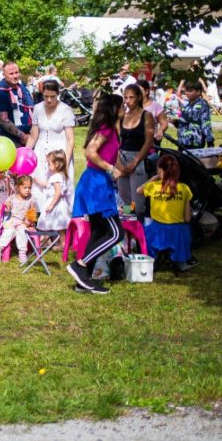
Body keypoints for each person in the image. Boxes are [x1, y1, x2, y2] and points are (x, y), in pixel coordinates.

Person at [66, 93, 125, 295]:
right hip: (95, 184)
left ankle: (83, 280)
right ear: (113, 109)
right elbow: (90, 152)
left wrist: (122, 169)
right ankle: (79, 265)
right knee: (116, 233)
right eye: (121, 105)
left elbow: (110, 156)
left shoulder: (113, 130)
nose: (125, 108)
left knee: (99, 232)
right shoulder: (106, 128)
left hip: (98, 182)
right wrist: (110, 168)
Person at [137, 154, 193, 272]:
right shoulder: (184, 188)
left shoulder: (153, 186)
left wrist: (153, 178)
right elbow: (187, 218)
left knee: (145, 227)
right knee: (185, 228)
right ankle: (180, 260)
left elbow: (139, 190)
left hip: (157, 232)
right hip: (178, 234)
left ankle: (151, 258)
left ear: (160, 170)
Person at [26, 81, 75, 212]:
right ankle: (42, 216)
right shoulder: (37, 108)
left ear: (57, 94)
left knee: (59, 185)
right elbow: (33, 136)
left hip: (59, 153)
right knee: (39, 183)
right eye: (46, 96)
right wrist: (25, 154)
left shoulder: (65, 110)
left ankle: (61, 217)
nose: (49, 100)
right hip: (41, 151)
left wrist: (65, 162)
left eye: (52, 96)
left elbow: (70, 140)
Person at [117, 84, 155, 220]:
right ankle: (130, 228)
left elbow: (149, 141)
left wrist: (135, 162)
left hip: (138, 158)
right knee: (125, 198)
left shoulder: (146, 116)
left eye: (131, 97)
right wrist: (119, 165)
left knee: (137, 202)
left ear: (139, 97)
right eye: (125, 97)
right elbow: (115, 141)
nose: (128, 101)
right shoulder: (122, 116)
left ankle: (140, 226)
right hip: (121, 158)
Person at [0, 175, 35, 264]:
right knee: (9, 231)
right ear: (18, 187)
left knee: (22, 231)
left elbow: (32, 212)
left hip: (23, 222)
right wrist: (7, 207)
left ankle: (22, 253)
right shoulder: (12, 197)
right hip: (12, 220)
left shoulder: (31, 198)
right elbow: (6, 207)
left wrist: (28, 222)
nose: (27, 190)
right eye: (25, 188)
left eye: (29, 187)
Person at [0, 62, 35, 147]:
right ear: (4, 75)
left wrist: (32, 135)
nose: (15, 76)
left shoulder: (23, 89)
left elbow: (33, 112)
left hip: (30, 138)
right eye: (11, 73)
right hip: (12, 142)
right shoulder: (1, 91)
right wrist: (23, 136)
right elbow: (3, 120)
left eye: (16, 72)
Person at [36, 150, 71, 233]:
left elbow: (57, 192)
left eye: (49, 164)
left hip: (55, 204)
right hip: (58, 203)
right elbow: (48, 185)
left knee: (49, 222)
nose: (48, 166)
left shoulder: (56, 177)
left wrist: (51, 205)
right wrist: (39, 182)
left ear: (56, 165)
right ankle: (60, 242)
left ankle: (45, 238)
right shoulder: (59, 176)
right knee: (59, 226)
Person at [174, 81, 213, 148]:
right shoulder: (187, 106)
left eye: (190, 91)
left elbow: (206, 123)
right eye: (186, 91)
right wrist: (175, 122)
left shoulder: (202, 105)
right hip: (183, 141)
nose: (187, 93)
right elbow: (185, 123)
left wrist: (210, 142)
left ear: (198, 92)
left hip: (195, 142)